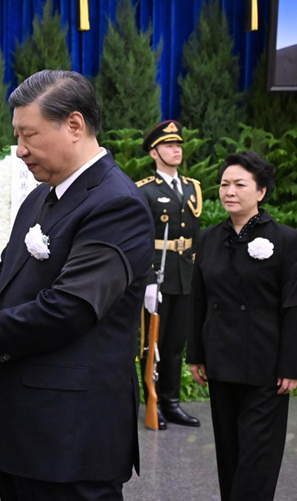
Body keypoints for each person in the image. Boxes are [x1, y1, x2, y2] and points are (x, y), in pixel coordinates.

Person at [0, 70, 154, 500]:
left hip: (70, 438)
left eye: (28, 135)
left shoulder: (116, 203)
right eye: (16, 135)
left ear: (74, 125)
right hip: (23, 431)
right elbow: (4, 270)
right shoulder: (42, 195)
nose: (19, 150)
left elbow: (70, 308)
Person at [187, 151, 297, 501]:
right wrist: (196, 355)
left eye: (239, 184)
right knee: (230, 453)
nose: (229, 191)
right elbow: (198, 299)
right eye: (224, 184)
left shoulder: (286, 239)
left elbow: (294, 305)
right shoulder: (207, 239)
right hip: (221, 359)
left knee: (257, 457)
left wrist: (291, 365)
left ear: (261, 192)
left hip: (266, 364)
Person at [135, 120, 201, 430]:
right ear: (154, 152)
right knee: (153, 342)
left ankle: (172, 401)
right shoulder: (145, 190)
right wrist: (147, 280)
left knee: (176, 343)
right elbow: (140, 239)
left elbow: (194, 236)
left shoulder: (192, 188)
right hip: (157, 276)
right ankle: (153, 400)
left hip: (184, 274)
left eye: (178, 145)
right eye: (168, 145)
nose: (176, 149)